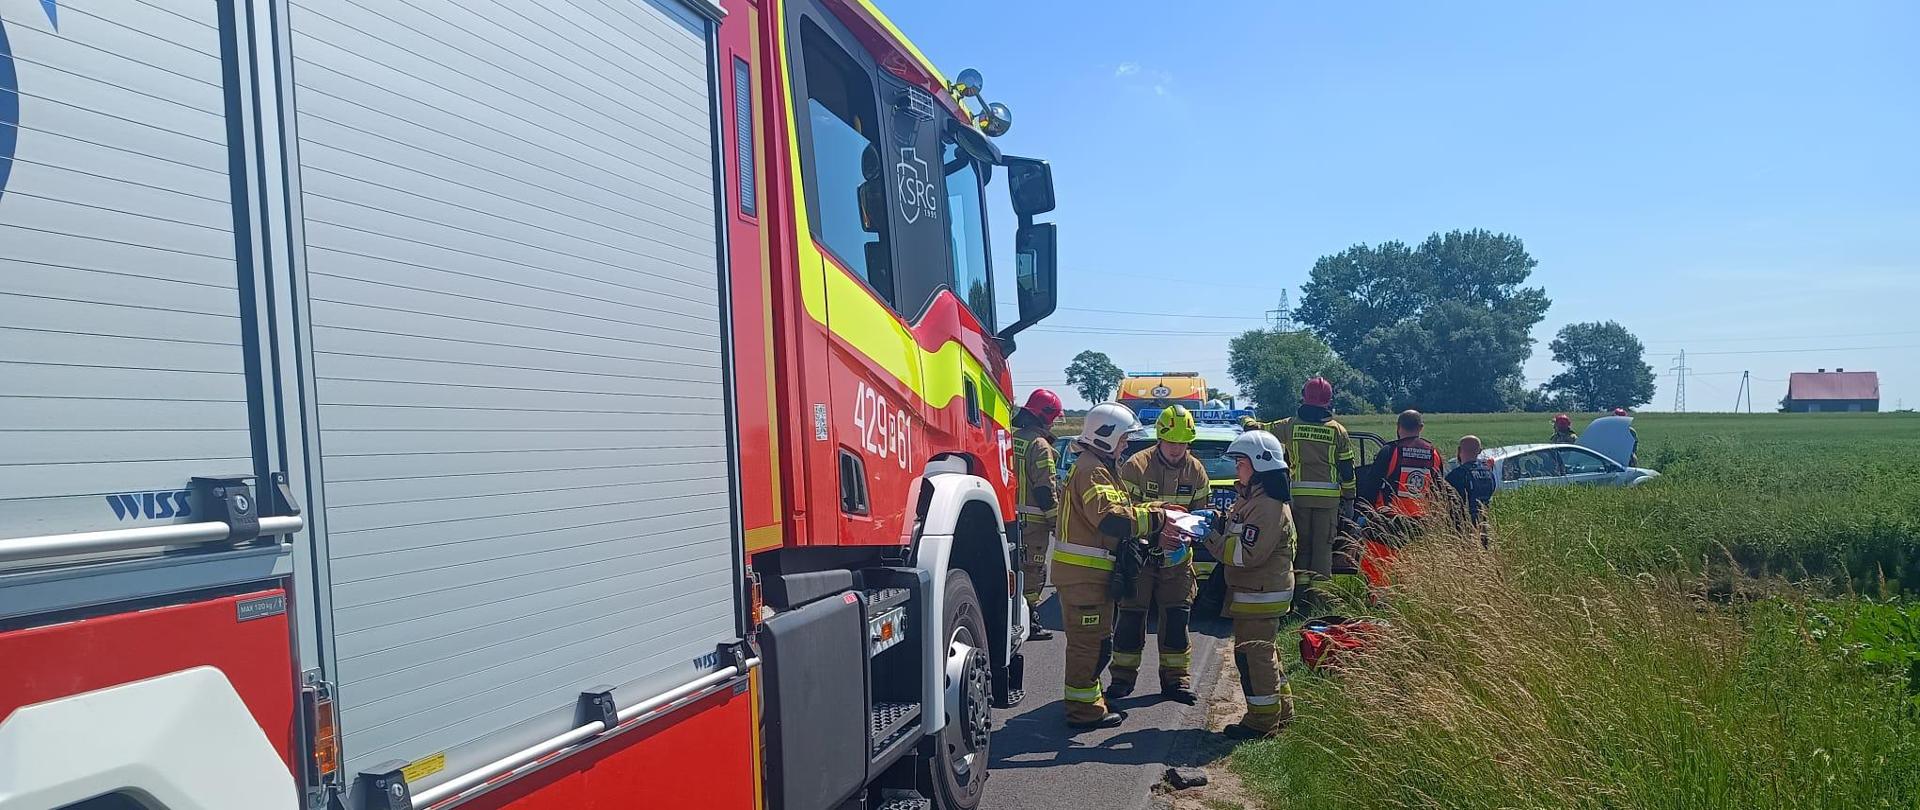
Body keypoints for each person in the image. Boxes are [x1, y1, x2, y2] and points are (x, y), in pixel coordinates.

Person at [1052, 402, 1175, 729]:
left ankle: (1091, 702)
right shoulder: (1093, 470)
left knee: (1097, 644)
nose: (1126, 445)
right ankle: (1083, 711)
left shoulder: (1099, 467)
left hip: (1090, 577)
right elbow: (1111, 519)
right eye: (1123, 439)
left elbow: (1122, 507)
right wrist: (1159, 519)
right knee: (1088, 647)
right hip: (1083, 579)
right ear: (1105, 437)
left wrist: (1157, 507)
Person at [1199, 429, 1298, 739]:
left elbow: (1246, 554)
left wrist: (1209, 538)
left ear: (1259, 465)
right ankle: (1282, 712)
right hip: (1257, 591)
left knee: (1254, 658)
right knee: (1264, 655)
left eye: (1240, 462)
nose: (1236, 468)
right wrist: (1217, 521)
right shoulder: (1254, 499)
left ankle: (1261, 723)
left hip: (1261, 594)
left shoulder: (1266, 506)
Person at [1111, 405, 1210, 702]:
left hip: (1177, 561)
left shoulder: (1196, 470)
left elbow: (1199, 516)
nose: (1178, 449)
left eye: (1183, 443)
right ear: (1160, 438)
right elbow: (1125, 515)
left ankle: (1176, 681)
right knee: (1130, 618)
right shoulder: (1136, 466)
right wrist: (1158, 530)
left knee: (1177, 619)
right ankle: (1122, 679)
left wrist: (1189, 534)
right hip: (1140, 558)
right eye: (1172, 442)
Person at [1241, 377, 1357, 584]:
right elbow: (1347, 470)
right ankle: (1319, 597)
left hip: (1299, 498)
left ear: (1304, 397)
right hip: (1328, 501)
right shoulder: (1338, 431)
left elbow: (1259, 431)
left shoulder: (1290, 425)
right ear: (1328, 400)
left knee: (1300, 547)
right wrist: (1349, 499)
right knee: (1323, 549)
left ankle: (1300, 594)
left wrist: (1246, 421)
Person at [1012, 389, 1063, 640]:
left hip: (1010, 520)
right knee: (1033, 572)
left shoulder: (1012, 439)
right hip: (1033, 524)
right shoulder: (1040, 445)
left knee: (1014, 571)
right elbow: (1045, 489)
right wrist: (1057, 523)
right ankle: (1030, 621)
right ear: (1046, 416)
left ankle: (1014, 618)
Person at [1368, 410, 1446, 524]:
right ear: (1421, 427)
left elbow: (1372, 483)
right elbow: (1439, 488)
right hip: (1423, 519)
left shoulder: (1390, 450)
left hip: (1390, 517)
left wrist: (1366, 512)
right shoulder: (1433, 453)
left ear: (1398, 426)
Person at [1444, 435, 1496, 545]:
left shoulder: (1456, 475)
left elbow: (1444, 500)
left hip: (1462, 528)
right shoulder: (1489, 473)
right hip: (1483, 525)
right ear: (1480, 451)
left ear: (1459, 450)